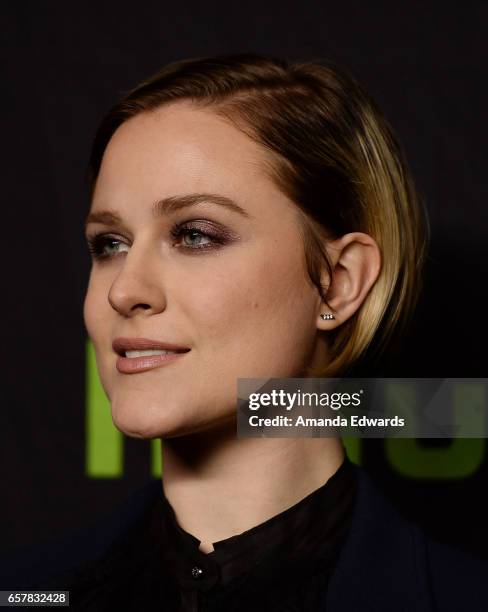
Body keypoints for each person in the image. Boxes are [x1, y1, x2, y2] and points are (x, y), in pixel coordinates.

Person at [2, 53, 487, 610]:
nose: (122, 290)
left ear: (338, 284)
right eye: (109, 244)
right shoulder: (24, 593)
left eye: (195, 235)